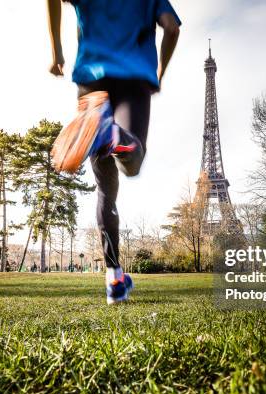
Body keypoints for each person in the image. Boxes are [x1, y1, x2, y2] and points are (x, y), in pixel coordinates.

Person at [46, 0, 181, 304]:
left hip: (91, 83)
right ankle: (114, 134)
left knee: (106, 191)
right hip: (134, 77)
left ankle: (114, 278)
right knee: (131, 164)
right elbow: (171, 28)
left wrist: (57, 51)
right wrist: (160, 70)